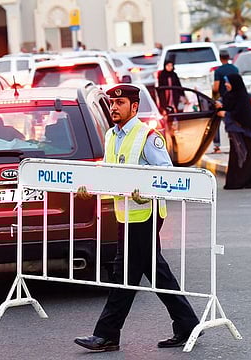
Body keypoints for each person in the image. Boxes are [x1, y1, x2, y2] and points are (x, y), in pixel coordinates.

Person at [74, 84, 200, 352]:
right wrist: (91, 191)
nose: (113, 108)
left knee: (124, 275)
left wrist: (147, 195)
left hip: (146, 214)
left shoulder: (147, 136)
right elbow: (110, 175)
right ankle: (187, 324)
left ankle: (106, 335)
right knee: (152, 273)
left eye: (119, 104)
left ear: (134, 107)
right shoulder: (111, 136)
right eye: (111, 103)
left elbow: (166, 174)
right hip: (126, 215)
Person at [216, 74, 251, 189]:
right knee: (238, 156)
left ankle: (245, 181)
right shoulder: (229, 95)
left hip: (249, 133)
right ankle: (238, 181)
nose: (226, 84)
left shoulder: (241, 97)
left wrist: (226, 114)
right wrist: (221, 107)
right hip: (239, 133)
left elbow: (240, 114)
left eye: (228, 82)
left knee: (247, 156)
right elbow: (228, 107)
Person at [212, 49, 239, 153]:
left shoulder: (218, 71)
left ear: (220, 58)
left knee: (216, 121)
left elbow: (216, 87)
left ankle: (217, 146)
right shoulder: (235, 69)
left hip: (223, 98)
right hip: (235, 98)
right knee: (234, 120)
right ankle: (235, 142)